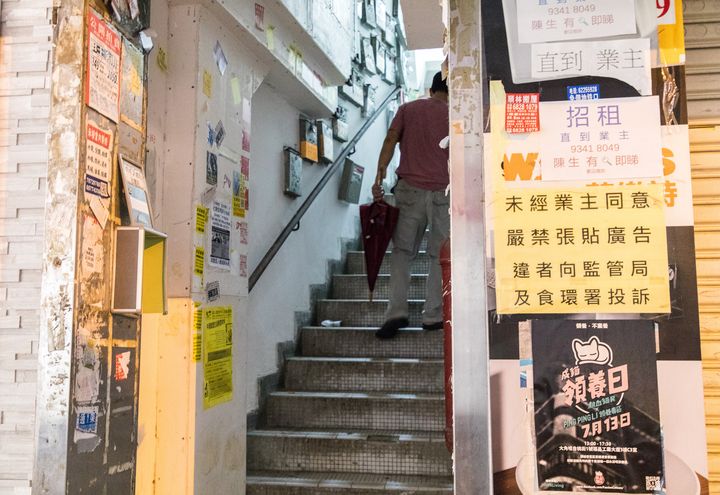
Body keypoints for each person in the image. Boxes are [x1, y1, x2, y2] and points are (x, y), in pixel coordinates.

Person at [372, 71, 450, 339]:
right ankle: (432, 316)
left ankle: (396, 313)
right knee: (439, 258)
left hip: (410, 192)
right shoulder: (456, 114)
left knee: (403, 253)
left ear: (431, 89)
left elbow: (390, 140)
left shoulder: (408, 109)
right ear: (452, 92)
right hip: (444, 192)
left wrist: (379, 176)